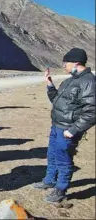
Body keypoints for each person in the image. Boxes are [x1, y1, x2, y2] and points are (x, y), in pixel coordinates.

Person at [32, 48, 95, 203]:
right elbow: (57, 101)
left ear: (76, 63)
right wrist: (49, 84)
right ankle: (49, 181)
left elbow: (92, 112)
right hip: (56, 126)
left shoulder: (88, 81)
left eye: (66, 63)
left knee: (64, 159)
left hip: (68, 129)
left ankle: (60, 190)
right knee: (52, 155)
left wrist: (73, 130)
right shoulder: (70, 80)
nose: (64, 66)